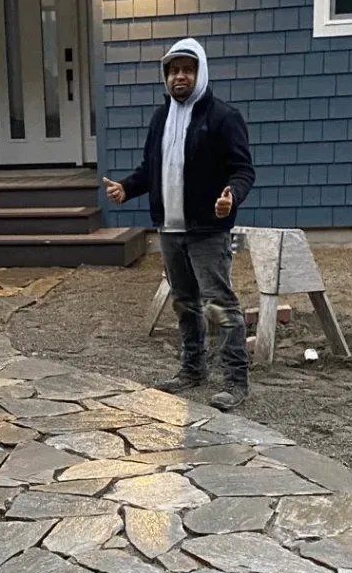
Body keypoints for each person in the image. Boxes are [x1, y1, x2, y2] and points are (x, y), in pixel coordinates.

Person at [104, 37, 255, 411]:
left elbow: (242, 170)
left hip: (207, 230)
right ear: (166, 76)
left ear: (200, 73)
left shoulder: (223, 117)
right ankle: (193, 370)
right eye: (173, 70)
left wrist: (231, 196)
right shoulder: (161, 118)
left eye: (187, 69)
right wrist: (127, 188)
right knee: (185, 304)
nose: (179, 77)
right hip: (169, 230)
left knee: (220, 305)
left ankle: (235, 381)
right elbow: (151, 170)